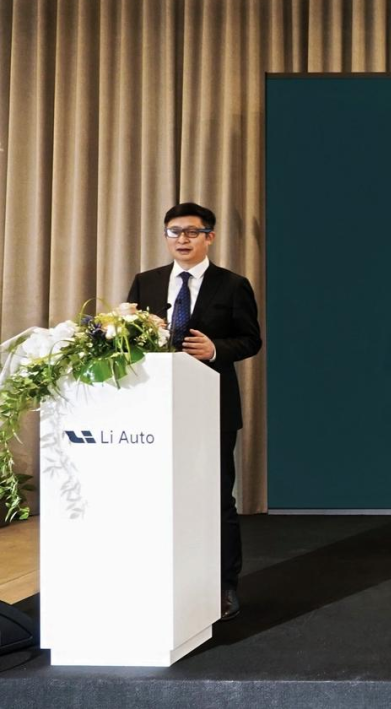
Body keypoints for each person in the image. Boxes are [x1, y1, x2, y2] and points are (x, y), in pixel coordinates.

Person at [126, 202, 262, 621]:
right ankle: (161, 579)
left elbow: (251, 340)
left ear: (209, 237)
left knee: (216, 497)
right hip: (154, 407)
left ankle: (224, 585)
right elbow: (128, 338)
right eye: (174, 232)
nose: (182, 239)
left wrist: (215, 349)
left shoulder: (232, 285)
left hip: (212, 406)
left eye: (191, 232)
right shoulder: (146, 282)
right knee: (158, 494)